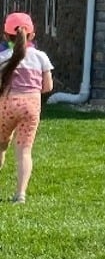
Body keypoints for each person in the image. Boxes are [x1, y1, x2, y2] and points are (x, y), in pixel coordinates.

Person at [0, 12, 54, 204]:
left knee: (1, 145)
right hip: (31, 106)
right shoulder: (41, 57)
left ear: (6, 36)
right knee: (24, 151)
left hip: (6, 105)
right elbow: (48, 87)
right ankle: (20, 194)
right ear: (32, 35)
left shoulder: (3, 57)